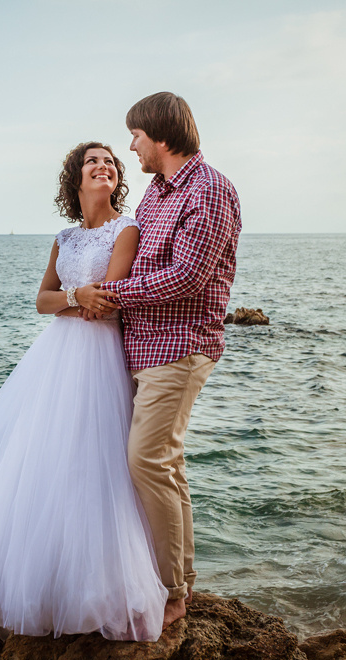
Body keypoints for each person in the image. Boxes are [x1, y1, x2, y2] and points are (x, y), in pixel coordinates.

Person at [0, 142, 168, 640]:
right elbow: (42, 300)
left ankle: (93, 589)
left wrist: (77, 299)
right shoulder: (64, 238)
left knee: (92, 463)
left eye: (110, 161)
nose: (103, 166)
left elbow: (107, 300)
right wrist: (75, 296)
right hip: (55, 357)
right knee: (37, 459)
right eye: (92, 161)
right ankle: (32, 583)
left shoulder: (127, 229)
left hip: (100, 357)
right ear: (76, 178)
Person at [81, 92, 242, 628]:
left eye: (136, 136)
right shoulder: (156, 193)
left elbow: (186, 277)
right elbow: (140, 263)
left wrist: (110, 295)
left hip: (180, 346)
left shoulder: (209, 189)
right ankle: (181, 579)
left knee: (146, 461)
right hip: (143, 347)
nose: (132, 147)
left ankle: (171, 593)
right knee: (166, 464)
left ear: (161, 135)